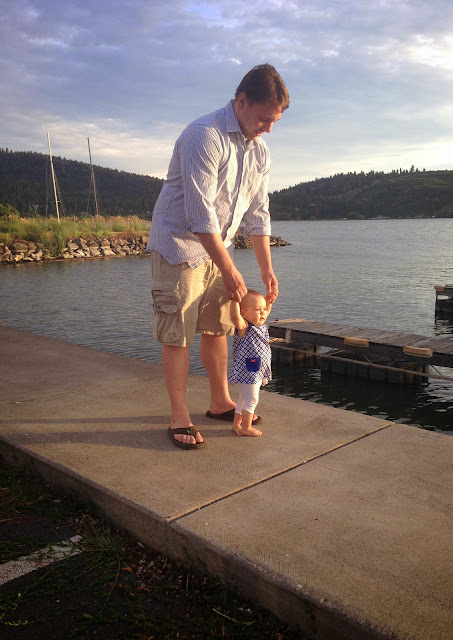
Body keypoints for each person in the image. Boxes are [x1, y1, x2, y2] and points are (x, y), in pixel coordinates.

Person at [146, 63, 289, 450]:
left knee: (219, 326)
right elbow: (199, 214)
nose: (268, 128)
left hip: (216, 247)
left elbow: (258, 214)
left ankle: (220, 401)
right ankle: (179, 415)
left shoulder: (259, 152)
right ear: (242, 101)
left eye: (274, 121)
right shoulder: (203, 135)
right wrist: (229, 270)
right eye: (264, 118)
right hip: (179, 246)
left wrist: (266, 269)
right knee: (178, 331)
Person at [228, 290, 272, 437]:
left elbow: (266, 311)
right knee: (252, 399)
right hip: (248, 373)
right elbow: (235, 317)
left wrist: (268, 300)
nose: (263, 312)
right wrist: (235, 301)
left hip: (257, 371)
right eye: (257, 309)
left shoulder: (260, 327)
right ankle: (246, 427)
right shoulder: (245, 328)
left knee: (243, 399)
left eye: (264, 309)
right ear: (243, 313)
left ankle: (237, 424)